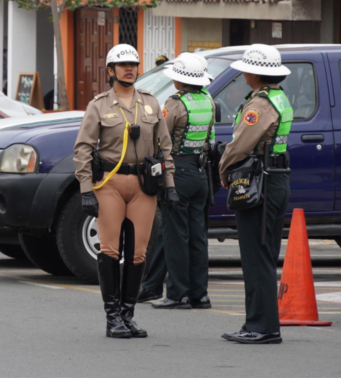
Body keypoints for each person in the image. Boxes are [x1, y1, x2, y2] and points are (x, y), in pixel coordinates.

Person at [74, 44, 175, 339]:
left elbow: (165, 147)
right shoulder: (99, 105)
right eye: (123, 65)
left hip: (144, 185)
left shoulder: (151, 103)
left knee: (138, 252)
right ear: (110, 71)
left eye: (133, 64)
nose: (129, 68)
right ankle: (112, 317)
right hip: (110, 183)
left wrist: (169, 185)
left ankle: (128, 314)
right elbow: (83, 149)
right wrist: (85, 190)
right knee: (109, 249)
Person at [218, 44, 293, 345]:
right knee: (265, 253)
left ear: (254, 72)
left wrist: (223, 168)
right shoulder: (279, 97)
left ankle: (261, 326)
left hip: (258, 182)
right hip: (276, 179)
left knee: (256, 256)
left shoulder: (260, 105)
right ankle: (261, 323)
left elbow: (240, 146)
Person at [152, 53, 214, 310]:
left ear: (179, 80)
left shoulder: (175, 103)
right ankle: (200, 294)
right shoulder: (208, 100)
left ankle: (178, 294)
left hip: (177, 172)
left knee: (176, 235)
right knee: (198, 236)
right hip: (200, 173)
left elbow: (160, 136)